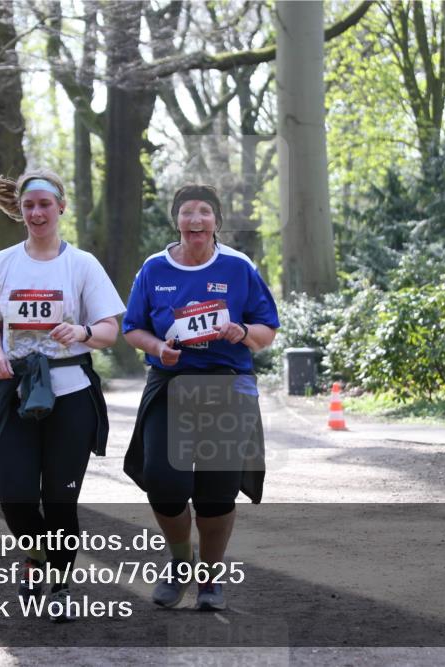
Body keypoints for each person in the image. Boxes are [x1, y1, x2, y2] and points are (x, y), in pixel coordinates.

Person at [0, 167, 125, 622]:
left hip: (70, 393)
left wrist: (82, 330)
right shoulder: (3, 262)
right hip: (16, 390)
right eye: (29, 205)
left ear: (61, 207)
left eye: (44, 204)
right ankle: (35, 556)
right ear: (21, 211)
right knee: (15, 494)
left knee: (60, 498)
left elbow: (110, 330)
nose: (37, 212)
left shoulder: (82, 264)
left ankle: (57, 581)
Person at [122, 184, 280, 611]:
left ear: (217, 221)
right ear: (176, 220)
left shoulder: (238, 266)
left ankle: (209, 578)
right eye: (187, 212)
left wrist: (243, 333)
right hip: (171, 385)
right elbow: (132, 327)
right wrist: (158, 348)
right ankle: (179, 561)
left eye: (205, 212)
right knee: (164, 483)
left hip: (226, 386)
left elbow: (267, 332)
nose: (196, 220)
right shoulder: (154, 269)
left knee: (216, 492)